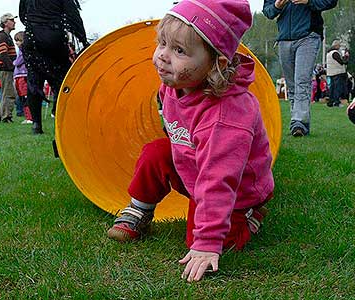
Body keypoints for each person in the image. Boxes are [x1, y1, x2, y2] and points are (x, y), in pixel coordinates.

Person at [107, 0, 274, 282]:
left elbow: (218, 177)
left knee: (202, 240)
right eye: (162, 43)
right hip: (195, 167)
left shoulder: (225, 115)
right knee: (155, 152)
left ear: (216, 64)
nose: (162, 56)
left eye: (179, 50)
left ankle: (251, 215)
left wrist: (208, 242)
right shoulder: (177, 84)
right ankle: (139, 209)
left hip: (234, 188)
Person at [263, 0, 338, 137]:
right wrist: (277, 5)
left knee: (302, 81)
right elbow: (268, 11)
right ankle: (300, 125)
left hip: (308, 36)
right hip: (284, 39)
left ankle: (298, 122)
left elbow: (330, 1)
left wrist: (309, 1)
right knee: (291, 86)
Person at [19, 0, 88, 134]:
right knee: (63, 81)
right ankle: (65, 120)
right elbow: (73, 16)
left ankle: (36, 124)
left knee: (34, 80)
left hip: (32, 36)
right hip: (53, 36)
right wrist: (83, 39)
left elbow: (23, 15)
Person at [0, 13, 18, 123]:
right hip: (5, 68)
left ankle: (0, 115)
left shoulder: (5, 36)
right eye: (11, 20)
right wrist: (12, 66)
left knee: (6, 92)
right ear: (5, 23)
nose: (14, 22)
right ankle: (6, 117)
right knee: (9, 93)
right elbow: (3, 54)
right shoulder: (2, 36)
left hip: (5, 68)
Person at [13, 31, 33, 124]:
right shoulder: (23, 50)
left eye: (18, 40)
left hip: (22, 76)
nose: (16, 43)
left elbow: (18, 61)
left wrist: (14, 63)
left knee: (25, 97)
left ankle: (30, 117)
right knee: (23, 98)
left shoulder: (23, 50)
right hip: (20, 76)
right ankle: (28, 116)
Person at [326, 40, 349, 107]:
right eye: (339, 45)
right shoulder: (335, 53)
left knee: (332, 88)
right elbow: (341, 62)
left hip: (331, 72)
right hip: (337, 72)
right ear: (336, 46)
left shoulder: (329, 53)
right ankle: (336, 102)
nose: (339, 47)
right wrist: (346, 57)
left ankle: (331, 102)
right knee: (337, 88)